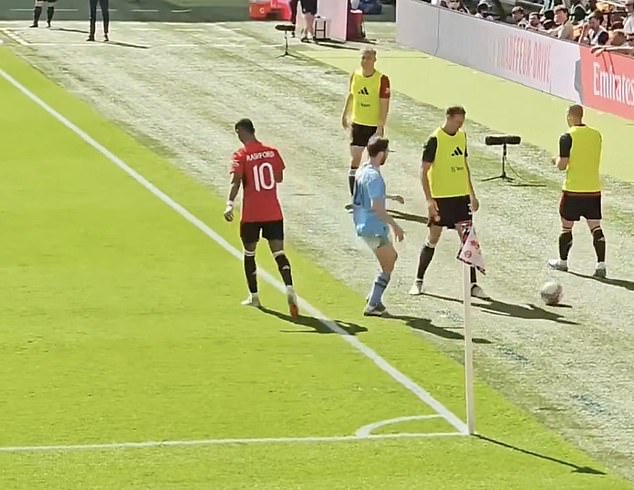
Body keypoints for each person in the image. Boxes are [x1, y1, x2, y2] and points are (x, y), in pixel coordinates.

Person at [409, 106, 488, 299]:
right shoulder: (434, 140)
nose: (459, 125)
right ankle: (418, 280)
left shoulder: (462, 137)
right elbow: (423, 171)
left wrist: (472, 194)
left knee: (468, 240)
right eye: (457, 121)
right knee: (433, 238)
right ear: (449, 118)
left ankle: (473, 285)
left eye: (462, 122)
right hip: (441, 199)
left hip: (460, 198)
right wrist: (429, 200)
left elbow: (464, 165)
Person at [224, 119, 299, 317]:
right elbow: (279, 177)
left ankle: (254, 297)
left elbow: (235, 181)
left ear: (241, 132)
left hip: (252, 214)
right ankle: (289, 286)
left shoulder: (241, 155)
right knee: (279, 253)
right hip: (273, 211)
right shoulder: (272, 152)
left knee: (249, 253)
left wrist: (229, 204)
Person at [548, 105, 606, 278]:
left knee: (566, 227)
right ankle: (601, 265)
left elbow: (562, 165)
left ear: (569, 117)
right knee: (596, 227)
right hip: (593, 189)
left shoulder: (567, 137)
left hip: (573, 190)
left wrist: (555, 159)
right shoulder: (596, 135)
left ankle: (563, 262)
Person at [352, 137, 404, 317]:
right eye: (388, 152)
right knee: (388, 264)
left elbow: (368, 195)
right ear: (382, 153)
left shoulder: (363, 170)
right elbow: (377, 207)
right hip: (373, 227)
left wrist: (390, 197)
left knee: (391, 258)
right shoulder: (374, 176)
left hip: (363, 223)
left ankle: (374, 299)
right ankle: (373, 304)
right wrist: (395, 226)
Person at [341, 48, 391, 210]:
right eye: (364, 58)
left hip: (372, 126)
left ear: (375, 60)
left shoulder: (382, 79)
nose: (366, 61)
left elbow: (384, 103)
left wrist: (380, 126)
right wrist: (344, 115)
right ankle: (356, 199)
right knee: (355, 159)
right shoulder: (355, 75)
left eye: (369, 58)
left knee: (373, 162)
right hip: (358, 124)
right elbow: (351, 95)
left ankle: (374, 198)